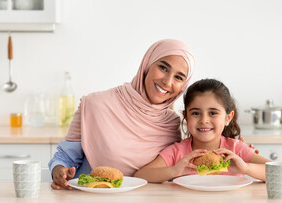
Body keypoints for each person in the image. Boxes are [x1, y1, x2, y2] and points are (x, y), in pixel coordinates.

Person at [48, 39, 195, 190]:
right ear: (147, 65)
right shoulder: (96, 104)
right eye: (163, 68)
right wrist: (59, 170)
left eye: (178, 77)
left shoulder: (171, 124)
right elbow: (65, 157)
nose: (167, 81)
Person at [134, 79, 270, 183]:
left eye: (212, 113)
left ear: (228, 118)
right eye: (195, 113)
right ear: (186, 116)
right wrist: (174, 170)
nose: (204, 120)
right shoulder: (177, 152)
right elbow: (141, 175)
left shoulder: (236, 149)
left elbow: (276, 171)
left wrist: (246, 168)